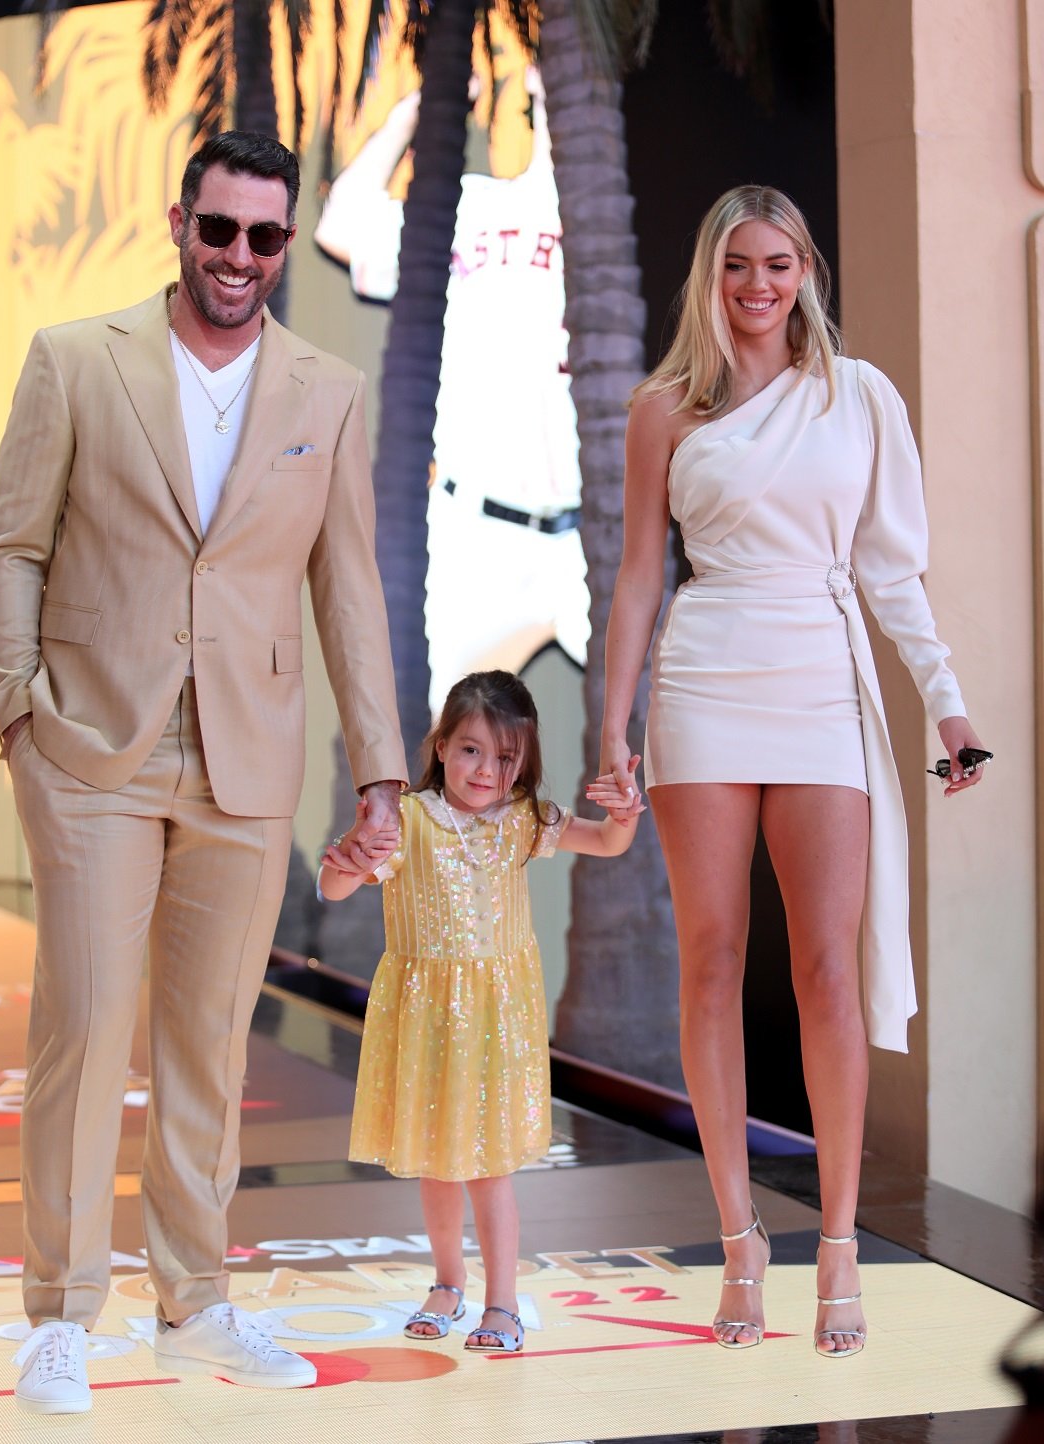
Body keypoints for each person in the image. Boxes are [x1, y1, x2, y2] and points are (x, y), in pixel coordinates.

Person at [0, 131, 406, 1414]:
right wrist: (17, 712)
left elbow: (351, 589)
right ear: (180, 221)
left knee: (212, 1045)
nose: (240, 258)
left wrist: (380, 767)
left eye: (266, 238)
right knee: (87, 1026)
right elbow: (10, 547)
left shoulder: (325, 388)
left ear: (284, 247)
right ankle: (57, 1312)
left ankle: (198, 1302)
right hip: (93, 743)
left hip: (246, 752)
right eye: (219, 230)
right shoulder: (75, 360)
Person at [599, 185, 987, 1359]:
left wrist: (950, 701)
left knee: (827, 968)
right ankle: (736, 1245)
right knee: (711, 960)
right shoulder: (663, 406)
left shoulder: (860, 396)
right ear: (709, 280)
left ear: (807, 269)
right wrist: (608, 729)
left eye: (777, 264)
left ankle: (837, 1244)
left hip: (823, 675)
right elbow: (634, 581)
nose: (758, 287)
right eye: (736, 267)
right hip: (706, 677)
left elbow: (892, 569)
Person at [320, 670, 638, 1352]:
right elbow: (336, 886)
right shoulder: (406, 818)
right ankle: (446, 1279)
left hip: (497, 1024)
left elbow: (609, 843)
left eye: (504, 757)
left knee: (489, 1165)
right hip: (428, 1017)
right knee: (437, 1160)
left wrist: (625, 812)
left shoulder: (524, 823)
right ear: (440, 746)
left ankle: (501, 1300)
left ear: (522, 764)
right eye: (470, 749)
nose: (485, 769)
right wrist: (348, 859)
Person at [314, 69, 590, 715]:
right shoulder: (465, 208)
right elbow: (340, 224)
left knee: (671, 722)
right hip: (478, 533)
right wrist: (415, 110)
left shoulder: (602, 214)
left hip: (588, 536)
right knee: (430, 744)